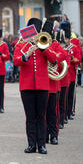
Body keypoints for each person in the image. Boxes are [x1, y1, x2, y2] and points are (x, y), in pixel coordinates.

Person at [13, 17, 58, 154]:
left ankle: (42, 145)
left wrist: (43, 49)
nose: (34, 36)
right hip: (27, 86)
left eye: (36, 33)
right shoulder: (21, 45)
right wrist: (27, 53)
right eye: (32, 33)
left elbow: (54, 59)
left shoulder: (44, 45)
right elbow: (16, 61)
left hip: (43, 86)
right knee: (30, 117)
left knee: (41, 116)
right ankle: (31, 144)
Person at [61, 21, 81, 120]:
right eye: (64, 38)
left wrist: (72, 59)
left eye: (67, 38)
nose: (66, 40)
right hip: (63, 76)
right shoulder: (61, 48)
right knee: (63, 98)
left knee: (70, 96)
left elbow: (78, 59)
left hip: (71, 75)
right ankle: (63, 115)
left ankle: (69, 113)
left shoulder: (74, 48)